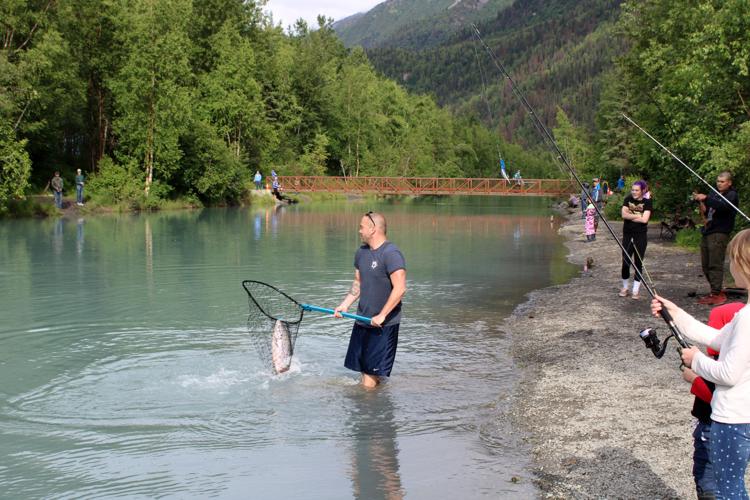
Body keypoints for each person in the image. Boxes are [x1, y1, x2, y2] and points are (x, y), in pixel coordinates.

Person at [651, 228, 750, 499]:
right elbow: (716, 338)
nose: (730, 264)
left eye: (733, 259)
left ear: (744, 265)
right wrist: (675, 312)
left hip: (734, 421)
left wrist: (697, 361)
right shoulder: (744, 315)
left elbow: (728, 374)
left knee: (729, 491)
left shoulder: (746, 318)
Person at [334, 212, 406, 389]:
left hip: (383, 325)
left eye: (361, 227)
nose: (359, 231)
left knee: (368, 380)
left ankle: (367, 414)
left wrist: (382, 315)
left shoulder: (391, 253)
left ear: (373, 229)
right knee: (364, 371)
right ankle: (372, 403)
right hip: (363, 320)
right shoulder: (361, 253)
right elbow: (358, 282)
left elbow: (400, 288)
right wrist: (345, 305)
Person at [682, 302, 744, 499]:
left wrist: (695, 375)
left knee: (716, 482)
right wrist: (674, 313)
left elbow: (720, 386)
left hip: (720, 425)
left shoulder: (744, 320)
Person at [693, 171, 739, 305]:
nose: (719, 184)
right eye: (718, 181)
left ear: (729, 182)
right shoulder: (714, 193)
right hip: (708, 230)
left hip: (720, 232)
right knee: (705, 264)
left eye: (722, 181)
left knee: (715, 263)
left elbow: (723, 207)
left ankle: (716, 293)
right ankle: (715, 289)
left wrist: (706, 198)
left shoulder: (732, 195)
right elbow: (709, 210)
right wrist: (702, 203)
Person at [619, 180, 652, 299]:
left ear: (642, 190)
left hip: (640, 235)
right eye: (632, 190)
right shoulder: (628, 199)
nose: (634, 192)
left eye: (636, 190)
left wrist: (631, 215)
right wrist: (638, 216)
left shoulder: (647, 202)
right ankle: (625, 287)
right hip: (628, 234)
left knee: (638, 262)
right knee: (626, 262)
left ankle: (635, 289)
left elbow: (645, 220)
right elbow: (623, 215)